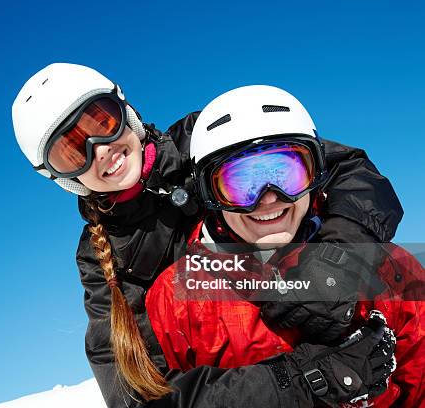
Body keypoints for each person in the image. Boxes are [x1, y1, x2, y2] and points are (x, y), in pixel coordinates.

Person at [11, 63, 405, 406]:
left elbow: (343, 170)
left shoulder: (204, 138)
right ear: (58, 177)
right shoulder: (103, 261)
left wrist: (337, 263)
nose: (100, 150)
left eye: (101, 122)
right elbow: (137, 394)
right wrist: (298, 381)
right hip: (241, 361)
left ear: (124, 109)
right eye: (71, 151)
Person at [145, 85, 424, 407]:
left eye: (285, 174)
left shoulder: (388, 269)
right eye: (239, 184)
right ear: (211, 196)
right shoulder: (175, 299)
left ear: (317, 173)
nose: (267, 199)